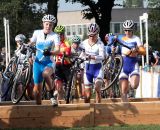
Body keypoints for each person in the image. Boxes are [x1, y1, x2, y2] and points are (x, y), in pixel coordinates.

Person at [30, 14, 60, 106]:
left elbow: (58, 50)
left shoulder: (55, 35)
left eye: (51, 24)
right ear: (43, 24)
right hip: (37, 63)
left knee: (46, 74)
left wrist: (50, 53)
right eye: (47, 24)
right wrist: (27, 47)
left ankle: (51, 95)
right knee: (37, 92)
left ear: (53, 26)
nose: (48, 26)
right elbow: (31, 43)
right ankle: (39, 110)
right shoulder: (37, 33)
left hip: (49, 62)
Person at [117, 20, 146, 102]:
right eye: (125, 30)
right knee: (123, 92)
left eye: (129, 30)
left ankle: (130, 85)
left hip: (133, 64)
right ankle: (124, 110)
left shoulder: (136, 38)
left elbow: (144, 52)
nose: (127, 32)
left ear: (132, 30)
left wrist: (136, 50)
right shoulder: (121, 38)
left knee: (134, 85)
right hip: (124, 65)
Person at [80, 23, 105, 103]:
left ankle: (99, 109)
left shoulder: (100, 44)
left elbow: (102, 57)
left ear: (97, 34)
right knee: (87, 96)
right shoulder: (84, 43)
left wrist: (92, 57)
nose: (92, 37)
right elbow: (81, 55)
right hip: (88, 69)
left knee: (97, 89)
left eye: (94, 35)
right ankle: (87, 112)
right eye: (90, 35)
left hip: (98, 68)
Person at [54, 25, 72, 101]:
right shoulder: (54, 43)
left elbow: (68, 51)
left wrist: (59, 51)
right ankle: (60, 105)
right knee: (59, 89)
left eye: (61, 34)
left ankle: (70, 97)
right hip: (57, 66)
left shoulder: (67, 42)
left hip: (66, 66)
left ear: (63, 34)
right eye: (57, 34)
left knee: (69, 87)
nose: (59, 35)